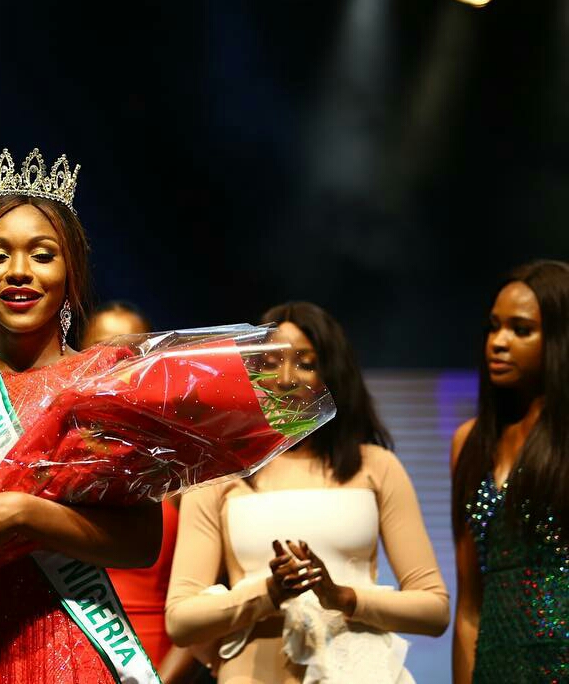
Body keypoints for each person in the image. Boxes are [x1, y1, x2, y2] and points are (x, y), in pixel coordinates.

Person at [0, 148, 164, 683]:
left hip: (65, 645)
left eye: (43, 255)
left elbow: (143, 543)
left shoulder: (104, 385)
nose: (18, 272)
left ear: (71, 273)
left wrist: (24, 515)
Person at [166, 302, 449, 683]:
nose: (285, 379)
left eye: (305, 363)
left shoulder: (376, 466)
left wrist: (344, 597)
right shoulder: (221, 472)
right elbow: (180, 620)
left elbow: (434, 609)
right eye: (268, 363)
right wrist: (269, 592)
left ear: (333, 374)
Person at [450, 260, 569, 684]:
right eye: (494, 327)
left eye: (521, 330)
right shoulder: (470, 441)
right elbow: (469, 605)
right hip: (495, 665)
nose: (498, 342)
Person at [82, 303, 198, 684]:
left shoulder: (182, 464)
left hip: (155, 670)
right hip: (66, 664)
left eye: (132, 351)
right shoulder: (47, 453)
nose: (116, 363)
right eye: (101, 350)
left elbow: (205, 597)